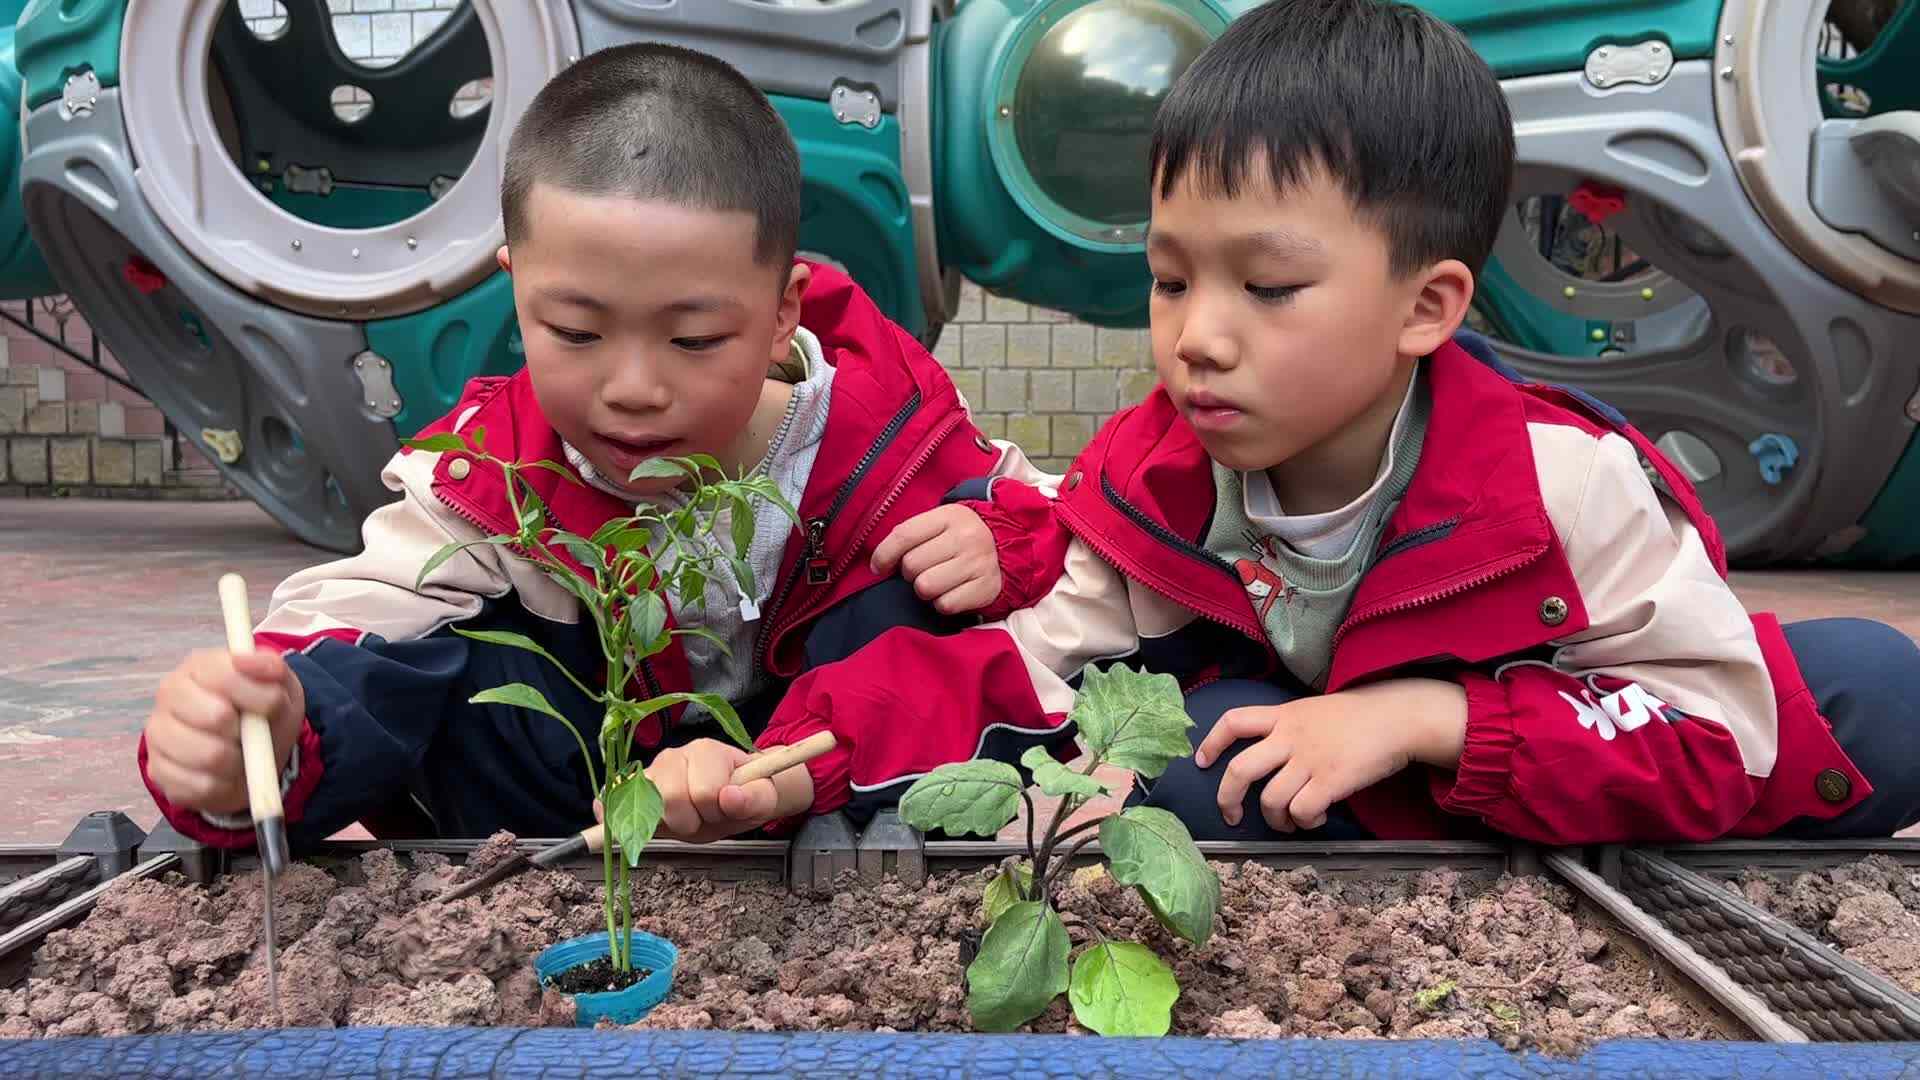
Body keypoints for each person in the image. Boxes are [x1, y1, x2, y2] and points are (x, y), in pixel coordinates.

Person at [750, 0, 1920, 843]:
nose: (1198, 337)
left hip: (1532, 746)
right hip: (1331, 774)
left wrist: (1429, 718)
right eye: (1170, 281)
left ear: (1427, 306)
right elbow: (1022, 669)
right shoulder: (1161, 476)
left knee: (1876, 694)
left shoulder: (1562, 484)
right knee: (1224, 749)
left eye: (1267, 289)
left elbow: (1714, 734)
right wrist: (796, 761)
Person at [138, 42, 1063, 849]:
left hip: (822, 794)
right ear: (518, 288)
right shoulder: (490, 474)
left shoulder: (880, 439)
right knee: (453, 658)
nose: (633, 389)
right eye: (576, 333)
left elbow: (1074, 535)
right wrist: (264, 729)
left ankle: (862, 855)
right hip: (568, 834)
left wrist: (1002, 543)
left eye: (695, 339)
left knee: (921, 593)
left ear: (784, 310)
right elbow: (359, 619)